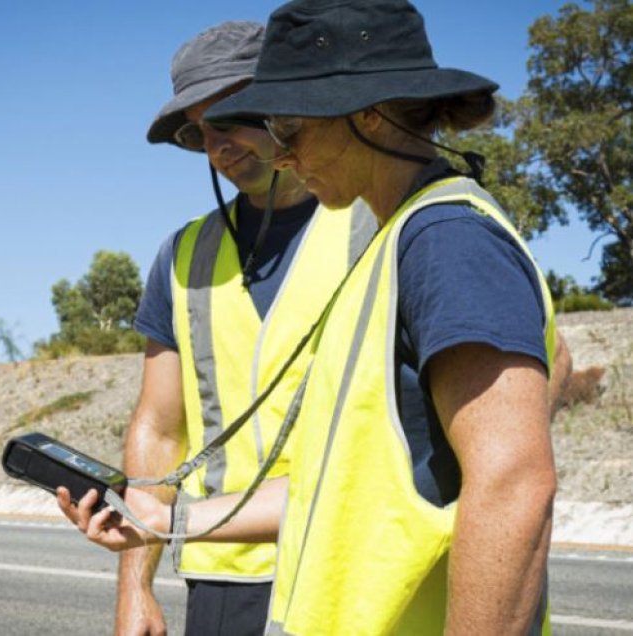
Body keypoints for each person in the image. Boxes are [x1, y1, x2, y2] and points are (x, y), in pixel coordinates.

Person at [60, 4, 573, 633]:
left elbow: (513, 484)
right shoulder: (391, 243)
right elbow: (338, 482)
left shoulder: (442, 238)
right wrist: (163, 523)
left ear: (365, 114)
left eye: (287, 125)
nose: (278, 150)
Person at [112, 20, 376, 636]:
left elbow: (538, 378)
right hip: (225, 575)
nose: (217, 147)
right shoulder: (184, 256)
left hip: (355, 567)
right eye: (199, 133)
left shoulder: (383, 221)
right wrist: (134, 589)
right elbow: (158, 426)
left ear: (290, 103)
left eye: (231, 118)